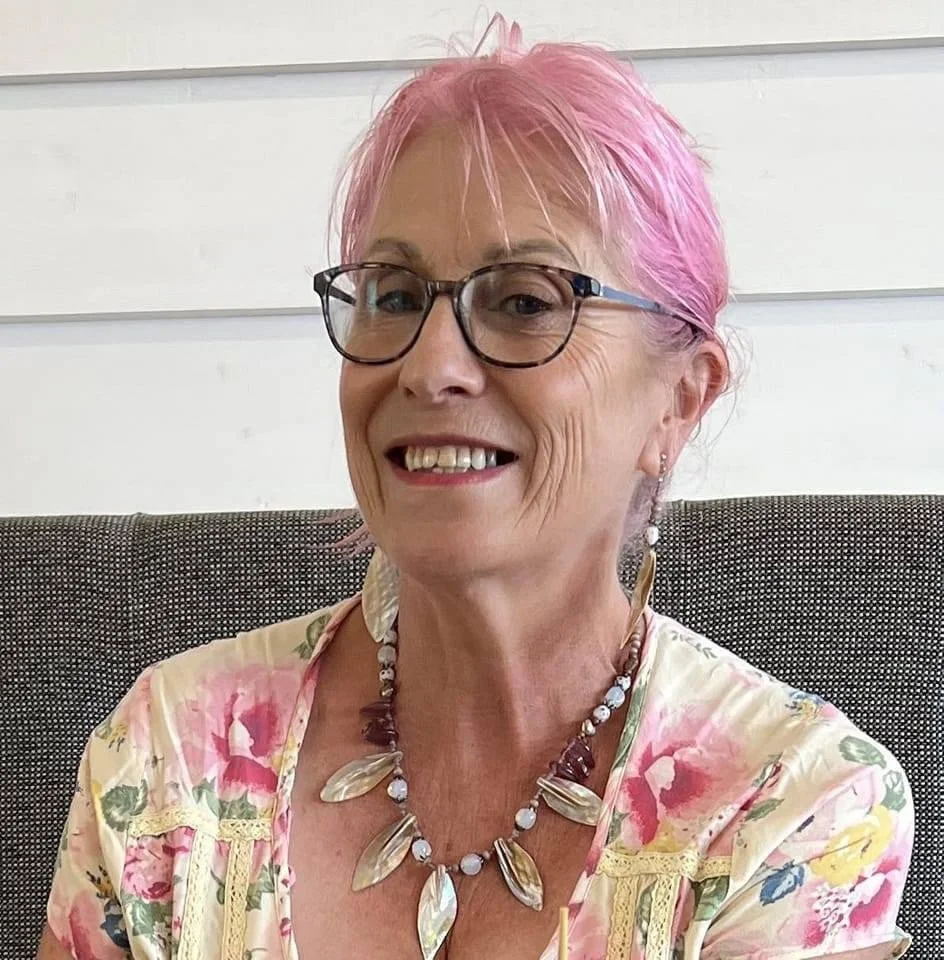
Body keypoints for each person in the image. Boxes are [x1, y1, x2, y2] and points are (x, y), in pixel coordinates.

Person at [39, 17, 913, 960]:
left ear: (679, 400)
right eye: (395, 296)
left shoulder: (787, 808)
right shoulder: (169, 760)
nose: (430, 367)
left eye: (526, 301)